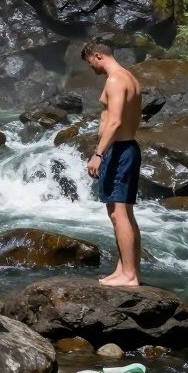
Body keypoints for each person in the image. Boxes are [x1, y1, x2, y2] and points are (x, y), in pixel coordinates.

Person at [82, 39, 143, 288]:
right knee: (123, 213)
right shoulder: (129, 77)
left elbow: (115, 121)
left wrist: (98, 154)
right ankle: (125, 269)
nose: (91, 68)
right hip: (124, 149)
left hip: (119, 151)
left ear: (98, 56)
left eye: (90, 62)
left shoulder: (115, 80)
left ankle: (129, 275)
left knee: (119, 214)